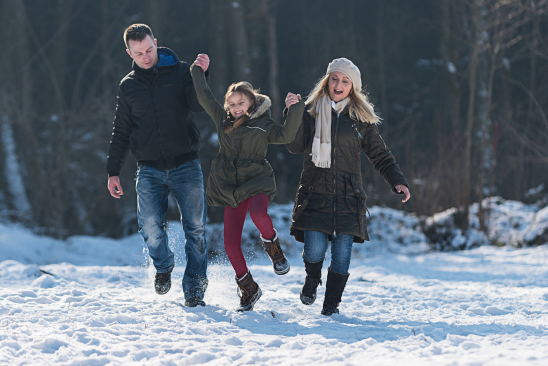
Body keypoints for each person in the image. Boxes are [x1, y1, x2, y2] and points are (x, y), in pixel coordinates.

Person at [285, 58, 410, 316]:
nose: (338, 84)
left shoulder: (359, 119)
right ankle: (311, 279)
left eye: (345, 80)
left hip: (347, 196)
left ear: (352, 87)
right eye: (335, 78)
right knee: (315, 249)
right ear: (327, 81)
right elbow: (294, 145)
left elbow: (380, 155)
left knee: (342, 255)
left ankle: (331, 306)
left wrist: (397, 180)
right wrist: (292, 113)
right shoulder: (310, 112)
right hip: (314, 193)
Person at [190, 55, 305, 312]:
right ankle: (249, 288)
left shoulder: (263, 124)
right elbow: (203, 96)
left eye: (241, 102)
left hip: (257, 180)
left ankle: (274, 249)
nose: (236, 107)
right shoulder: (223, 121)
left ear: (252, 102)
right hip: (230, 187)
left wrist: (295, 108)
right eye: (231, 103)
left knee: (258, 213)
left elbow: (287, 134)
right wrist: (198, 71)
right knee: (230, 243)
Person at [107, 24, 208, 307]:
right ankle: (163, 266)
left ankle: (195, 290)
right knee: (150, 226)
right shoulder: (128, 86)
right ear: (130, 52)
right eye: (139, 53)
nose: (146, 56)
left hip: (186, 163)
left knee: (196, 230)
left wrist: (201, 75)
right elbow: (121, 130)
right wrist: (112, 171)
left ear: (156, 43)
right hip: (149, 167)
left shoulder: (180, 71)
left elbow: (198, 105)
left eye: (150, 50)